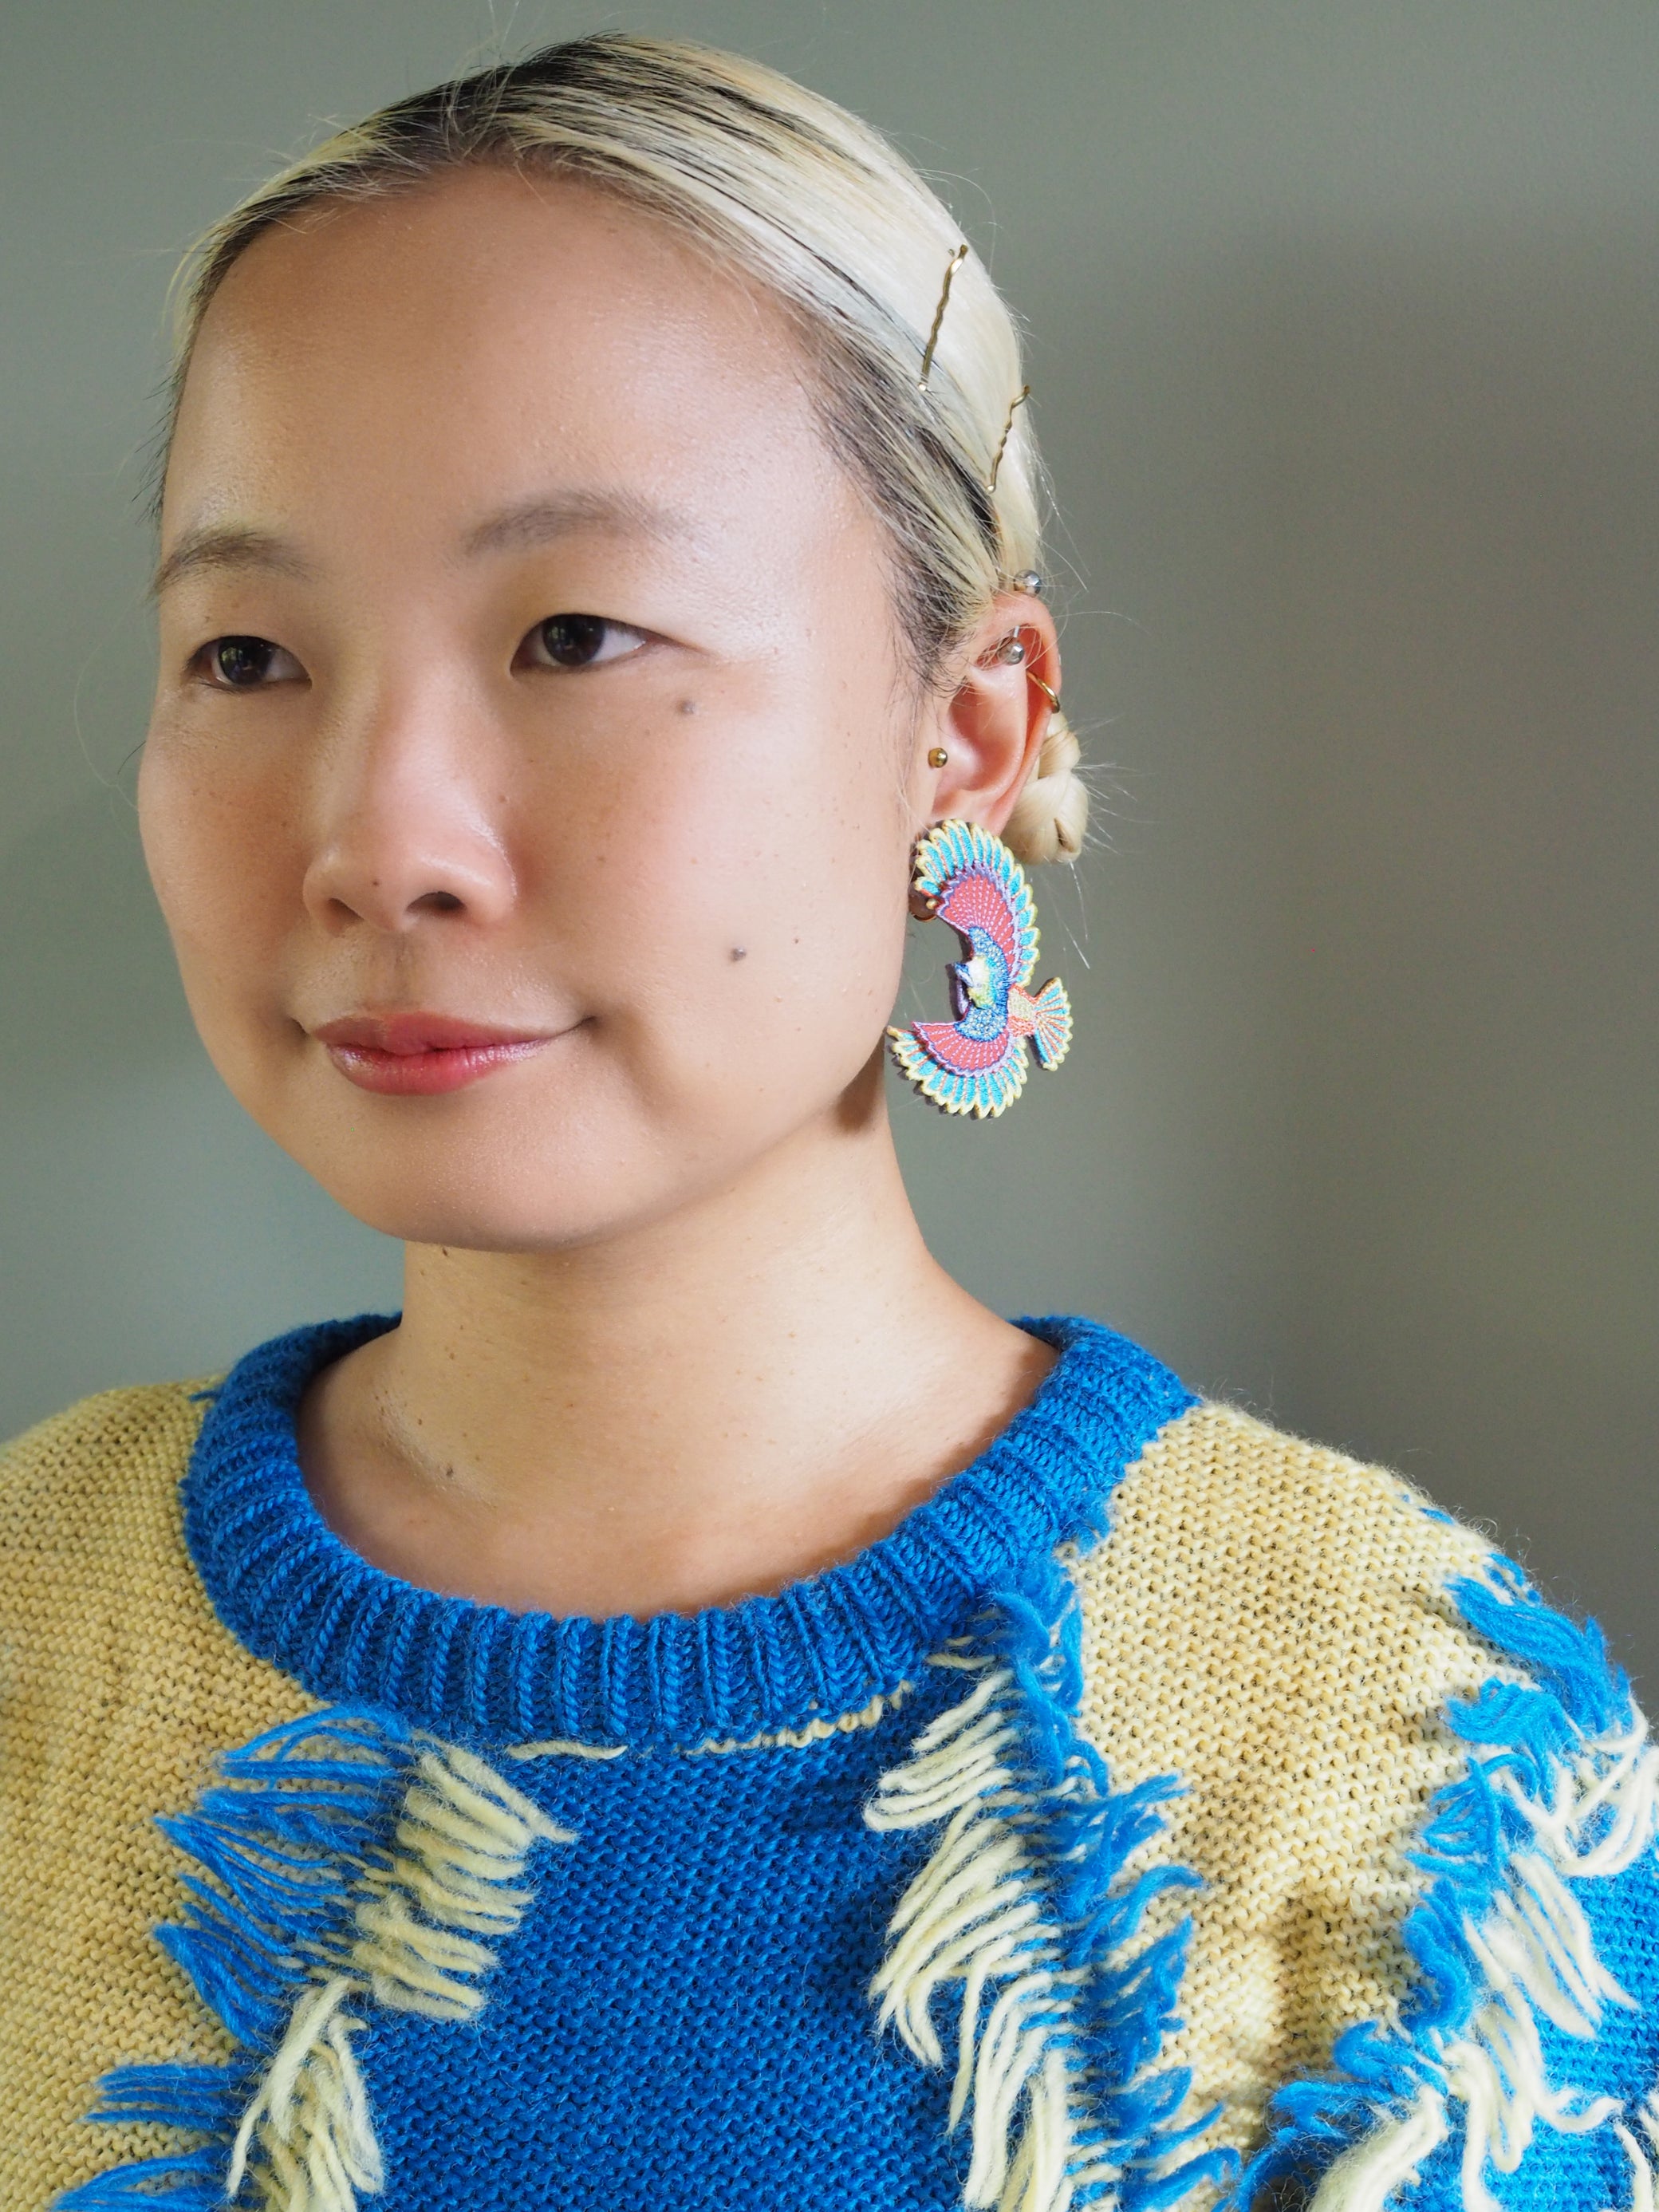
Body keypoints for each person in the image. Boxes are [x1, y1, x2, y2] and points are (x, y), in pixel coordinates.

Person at [3, 32, 1655, 2212]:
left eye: (575, 635)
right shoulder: (31, 1635)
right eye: (245, 656)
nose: (381, 841)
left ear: (967, 734)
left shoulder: (1405, 1784)